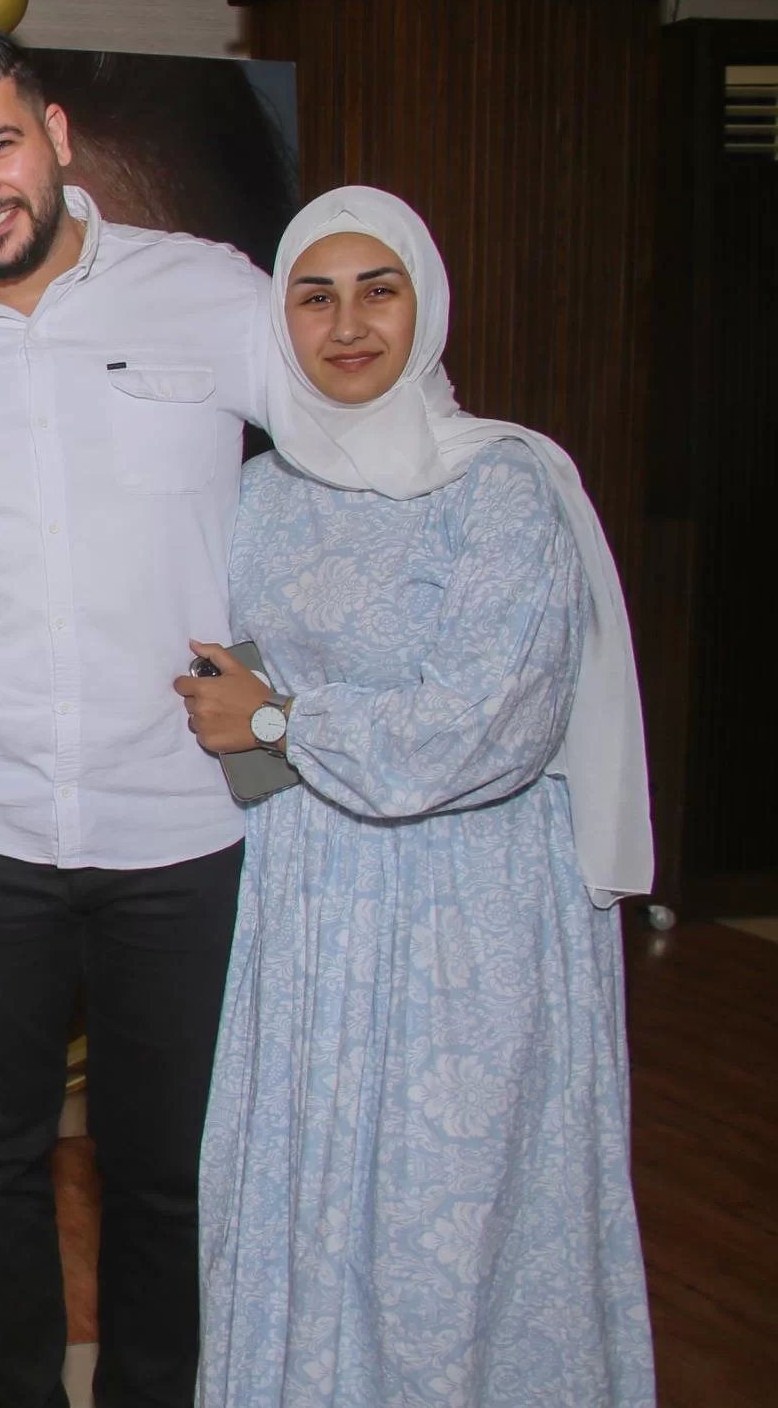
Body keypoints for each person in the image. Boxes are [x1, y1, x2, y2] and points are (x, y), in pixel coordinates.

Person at [0, 28, 269, 1408]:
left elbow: (347, 471)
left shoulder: (213, 294)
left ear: (57, 135)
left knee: (166, 1172)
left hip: (184, 827)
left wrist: (287, 701)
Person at [182, 186, 655, 1407]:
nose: (346, 324)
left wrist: (281, 722)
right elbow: (224, 677)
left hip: (467, 919)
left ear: (426, 304)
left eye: (376, 290)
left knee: (445, 1217)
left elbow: (488, 726)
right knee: (301, 1193)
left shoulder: (501, 486)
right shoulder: (259, 491)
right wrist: (250, 724)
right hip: (307, 907)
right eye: (314, 295)